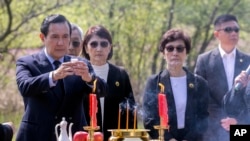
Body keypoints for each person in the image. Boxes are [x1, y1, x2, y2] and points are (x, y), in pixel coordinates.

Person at [15, 14, 107, 141]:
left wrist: (89, 78)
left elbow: (103, 90)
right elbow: (25, 87)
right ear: (42, 37)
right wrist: (53, 76)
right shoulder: (27, 63)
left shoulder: (81, 64)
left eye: (65, 37)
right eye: (54, 37)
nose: (61, 43)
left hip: (75, 135)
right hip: (37, 136)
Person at [143, 29, 209, 141]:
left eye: (179, 48)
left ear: (186, 52)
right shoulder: (154, 82)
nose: (175, 53)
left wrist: (189, 139)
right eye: (169, 48)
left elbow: (203, 117)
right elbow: (149, 118)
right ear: (163, 53)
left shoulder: (199, 83)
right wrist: (169, 139)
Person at [194, 14, 250, 141]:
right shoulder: (204, 60)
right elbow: (201, 94)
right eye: (228, 30)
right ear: (216, 34)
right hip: (213, 128)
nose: (233, 33)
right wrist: (224, 120)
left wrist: (237, 121)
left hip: (241, 127)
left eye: (236, 29)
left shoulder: (248, 61)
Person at [82, 25, 137, 141]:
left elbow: (130, 112)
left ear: (110, 48)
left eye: (103, 44)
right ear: (86, 48)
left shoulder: (120, 75)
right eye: (93, 44)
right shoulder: (79, 73)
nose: (99, 48)